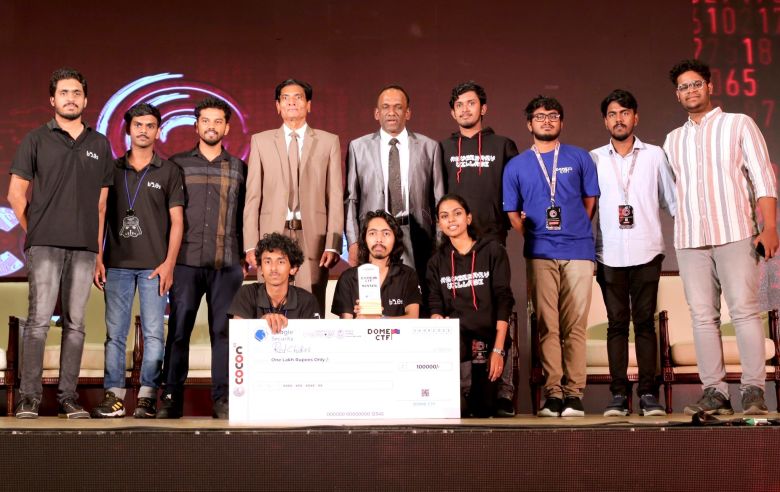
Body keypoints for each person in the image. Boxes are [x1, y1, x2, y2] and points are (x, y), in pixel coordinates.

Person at [664, 59, 778, 415]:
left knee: (744, 312)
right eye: (683, 86)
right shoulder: (673, 139)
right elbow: (674, 192)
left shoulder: (738, 124)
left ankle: (753, 391)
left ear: (710, 86)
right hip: (690, 239)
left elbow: (763, 178)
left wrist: (770, 227)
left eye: (696, 84)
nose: (690, 91)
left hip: (735, 233)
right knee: (702, 317)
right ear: (677, 94)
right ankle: (714, 392)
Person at [8, 68, 113, 419]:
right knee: (38, 322)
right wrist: (36, 230)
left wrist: (98, 253)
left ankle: (69, 397)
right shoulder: (35, 139)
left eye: (77, 92)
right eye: (64, 92)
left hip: (84, 249)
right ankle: (29, 398)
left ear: (85, 99)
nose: (71, 98)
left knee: (76, 324)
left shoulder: (99, 144)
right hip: (46, 246)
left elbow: (101, 205)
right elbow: (16, 195)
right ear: (52, 99)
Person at [503, 95, 600, 417]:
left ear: (561, 122)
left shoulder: (580, 157)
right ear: (529, 124)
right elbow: (513, 214)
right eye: (540, 116)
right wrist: (537, 236)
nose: (547, 121)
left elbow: (589, 203)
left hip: (579, 251)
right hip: (540, 253)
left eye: (553, 115)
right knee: (547, 325)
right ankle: (554, 393)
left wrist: (573, 230)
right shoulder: (516, 166)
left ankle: (574, 394)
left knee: (575, 326)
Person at [91, 103, 184, 418]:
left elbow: (178, 222)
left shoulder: (169, 171)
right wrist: (98, 257)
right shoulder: (111, 168)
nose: (143, 130)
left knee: (155, 334)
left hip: (154, 268)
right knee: (115, 335)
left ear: (158, 131)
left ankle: (146, 396)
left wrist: (169, 263)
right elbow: (100, 213)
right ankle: (114, 397)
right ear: (128, 129)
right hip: (116, 265)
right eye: (138, 125)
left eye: (150, 125)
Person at [157, 97, 247, 420]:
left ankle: (223, 400)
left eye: (218, 121)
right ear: (196, 126)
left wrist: (245, 254)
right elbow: (167, 217)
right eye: (205, 121)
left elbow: (245, 214)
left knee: (223, 333)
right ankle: (171, 399)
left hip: (227, 262)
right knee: (179, 330)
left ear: (227, 128)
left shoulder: (238, 167)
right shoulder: (177, 164)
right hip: (185, 261)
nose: (211, 126)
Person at [591, 89, 676, 417]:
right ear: (605, 121)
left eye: (625, 113)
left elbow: (672, 202)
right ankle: (617, 395)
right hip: (609, 253)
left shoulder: (654, 155)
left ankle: (648, 394)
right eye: (612, 114)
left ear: (635, 117)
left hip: (647, 250)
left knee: (644, 324)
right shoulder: (594, 158)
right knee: (616, 325)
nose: (619, 119)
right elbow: (586, 207)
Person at [440, 80, 519, 416]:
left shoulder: (503, 145)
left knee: (499, 312)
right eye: (459, 104)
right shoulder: (443, 148)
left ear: (483, 108)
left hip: (491, 241)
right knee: (460, 316)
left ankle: (504, 391)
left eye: (471, 103)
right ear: (452, 112)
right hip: (453, 247)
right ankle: (460, 391)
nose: (465, 109)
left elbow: (515, 192)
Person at [243, 79, 343, 316]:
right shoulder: (261, 141)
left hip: (313, 235)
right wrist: (251, 244)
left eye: (298, 97)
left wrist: (333, 243)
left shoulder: (329, 141)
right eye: (285, 98)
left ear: (309, 105)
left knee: (312, 303)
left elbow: (335, 196)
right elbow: (253, 197)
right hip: (272, 233)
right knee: (270, 303)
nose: (292, 102)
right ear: (278, 106)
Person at [344, 85, 444, 300]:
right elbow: (351, 198)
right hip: (373, 236)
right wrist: (352, 241)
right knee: (374, 299)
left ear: (408, 113)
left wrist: (439, 240)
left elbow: (439, 199)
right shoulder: (358, 147)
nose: (392, 112)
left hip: (417, 234)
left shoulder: (429, 147)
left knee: (418, 296)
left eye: (398, 107)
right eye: (386, 107)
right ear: (376, 113)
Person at [427, 194, 514, 418]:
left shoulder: (493, 251)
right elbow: (435, 305)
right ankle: (461, 393)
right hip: (459, 346)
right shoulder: (436, 262)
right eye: (444, 216)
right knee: (463, 410)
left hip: (490, 340)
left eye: (457, 213)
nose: (451, 220)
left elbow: (504, 300)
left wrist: (498, 350)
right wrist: (437, 320)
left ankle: (503, 393)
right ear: (439, 223)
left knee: (486, 409)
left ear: (468, 218)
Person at [332, 210, 420, 319]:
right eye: (372, 233)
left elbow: (413, 318)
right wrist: (359, 321)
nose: (379, 240)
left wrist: (380, 320)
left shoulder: (408, 275)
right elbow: (346, 326)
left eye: (386, 233)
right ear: (364, 238)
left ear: (395, 238)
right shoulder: (348, 278)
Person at [229, 233, 320, 330]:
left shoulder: (307, 301)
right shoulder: (247, 293)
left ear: (293, 268)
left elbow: (314, 337)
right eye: (267, 262)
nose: (273, 268)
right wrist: (261, 324)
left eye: (281, 262)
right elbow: (238, 334)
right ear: (261, 268)